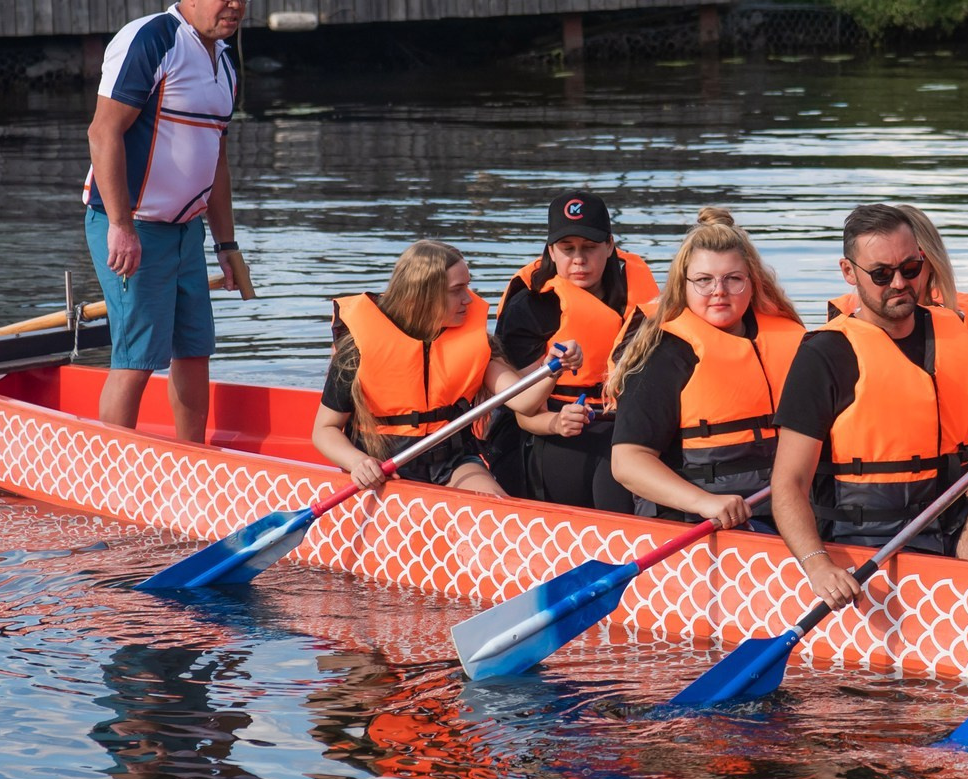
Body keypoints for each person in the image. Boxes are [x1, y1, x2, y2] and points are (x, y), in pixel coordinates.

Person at [772, 204, 968, 608]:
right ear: (848, 272)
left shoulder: (951, 333)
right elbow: (788, 483)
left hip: (953, 517)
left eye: (910, 269)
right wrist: (818, 566)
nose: (899, 283)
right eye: (881, 274)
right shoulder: (824, 355)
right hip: (866, 537)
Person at [83, 0, 257, 442]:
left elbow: (216, 160)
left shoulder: (225, 62)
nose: (235, 5)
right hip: (132, 226)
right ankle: (111, 474)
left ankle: (191, 458)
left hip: (186, 233)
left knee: (193, 349)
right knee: (137, 357)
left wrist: (226, 246)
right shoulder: (152, 38)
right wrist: (120, 225)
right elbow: (103, 133)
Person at [607, 208, 807, 532]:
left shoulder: (793, 340)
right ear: (683, 285)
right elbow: (627, 462)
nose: (719, 291)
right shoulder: (665, 354)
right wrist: (705, 502)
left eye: (733, 279)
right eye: (703, 280)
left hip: (785, 512)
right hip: (696, 521)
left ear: (753, 283)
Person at [312, 240, 554, 496]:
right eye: (457, 290)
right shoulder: (357, 350)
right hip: (381, 466)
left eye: (468, 287)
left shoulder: (474, 343)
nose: (468, 300)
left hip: (451, 464)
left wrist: (552, 368)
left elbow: (524, 401)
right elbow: (324, 430)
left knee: (495, 511)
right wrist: (357, 463)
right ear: (423, 294)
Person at [495, 190, 660, 511]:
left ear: (610, 246)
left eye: (590, 248)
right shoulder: (529, 306)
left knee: (622, 459)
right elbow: (524, 413)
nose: (579, 259)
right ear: (551, 252)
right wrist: (556, 422)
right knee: (603, 465)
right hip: (545, 427)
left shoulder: (641, 296)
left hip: (622, 423)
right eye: (567, 249)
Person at [824, 203, 968, 343]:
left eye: (910, 266)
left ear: (933, 261)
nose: (898, 282)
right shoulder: (833, 343)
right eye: (882, 272)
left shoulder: (957, 328)